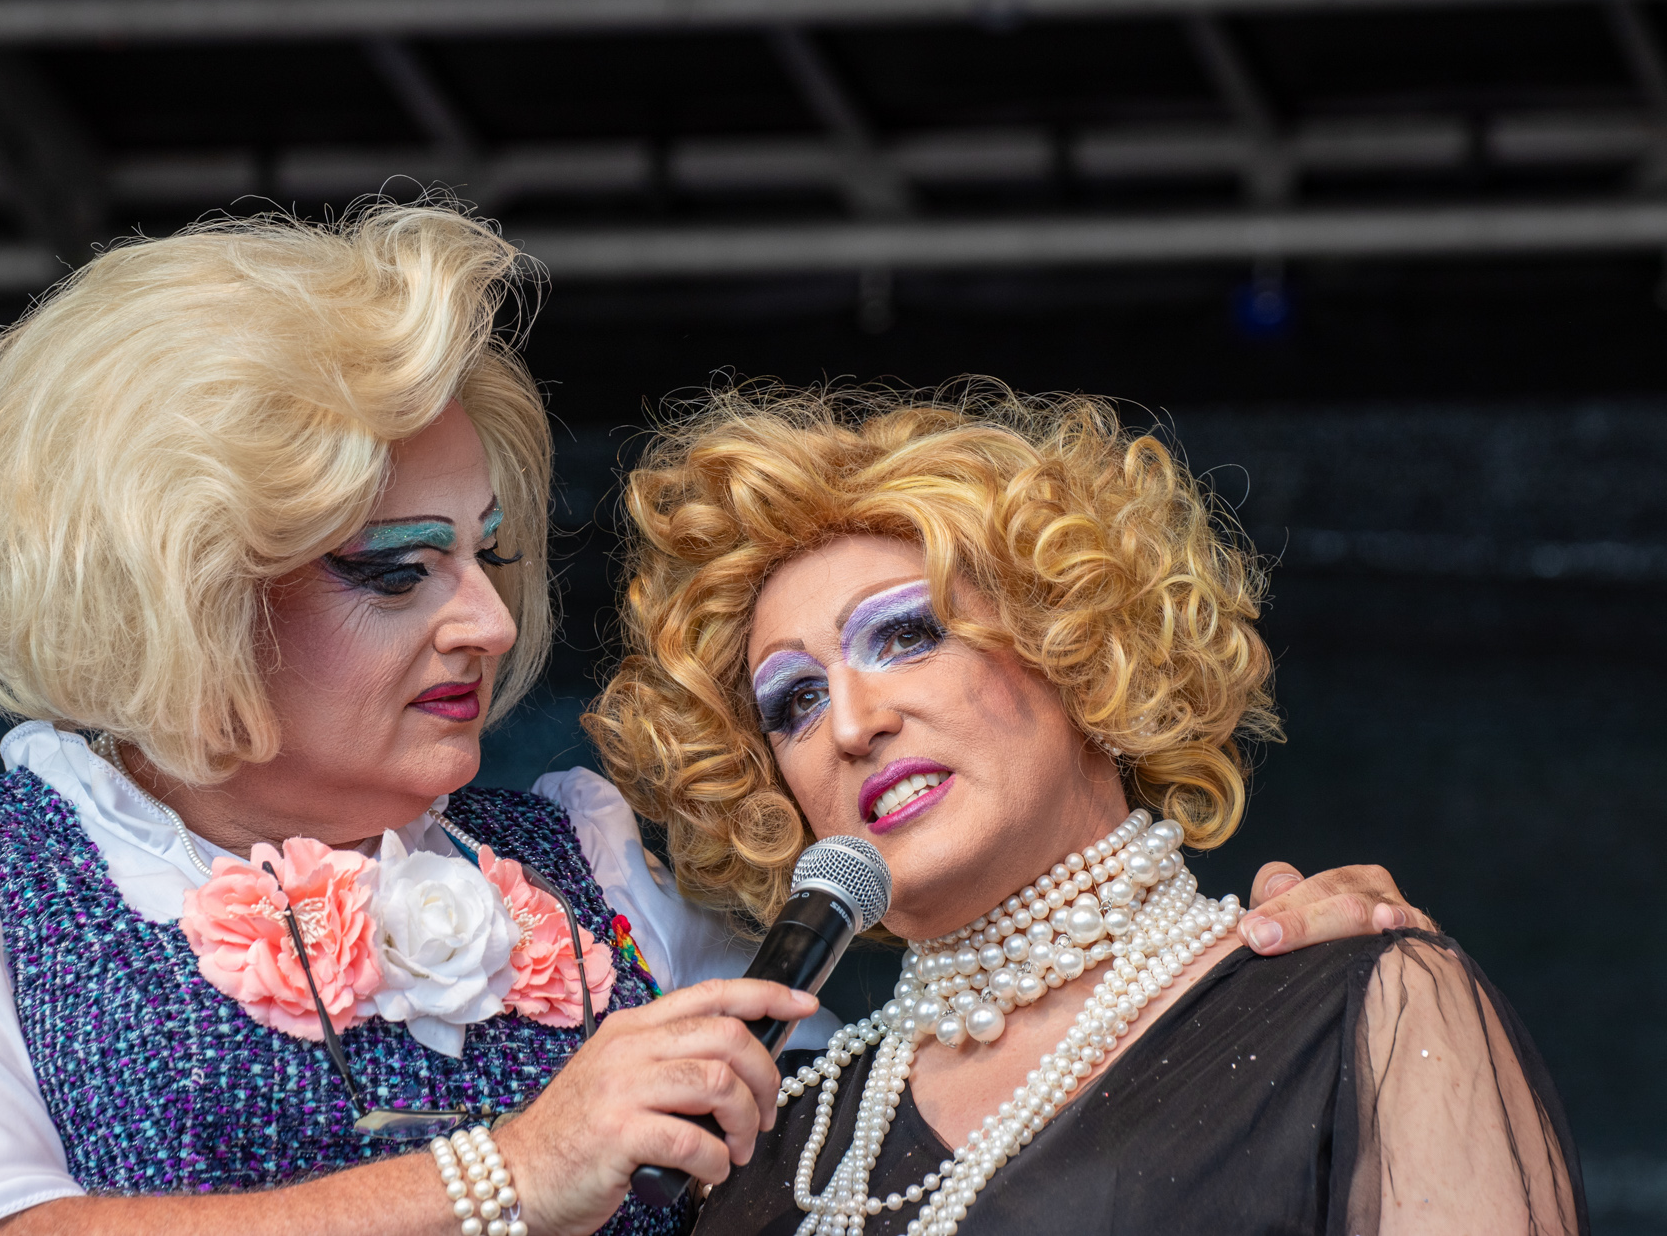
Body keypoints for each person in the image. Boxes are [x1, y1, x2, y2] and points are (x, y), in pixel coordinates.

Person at [0, 206, 1434, 1236]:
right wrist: (505, 1172)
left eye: (485, 554)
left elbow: (968, 1048)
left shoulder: (608, 863)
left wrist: (1252, 979)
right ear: (176, 592)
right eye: (397, 569)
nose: (489, 621)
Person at [586, 385, 1582, 1236]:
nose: (850, 722)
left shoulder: (1355, 1005)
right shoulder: (768, 1150)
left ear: (1073, 643)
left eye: (907, 635)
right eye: (795, 701)